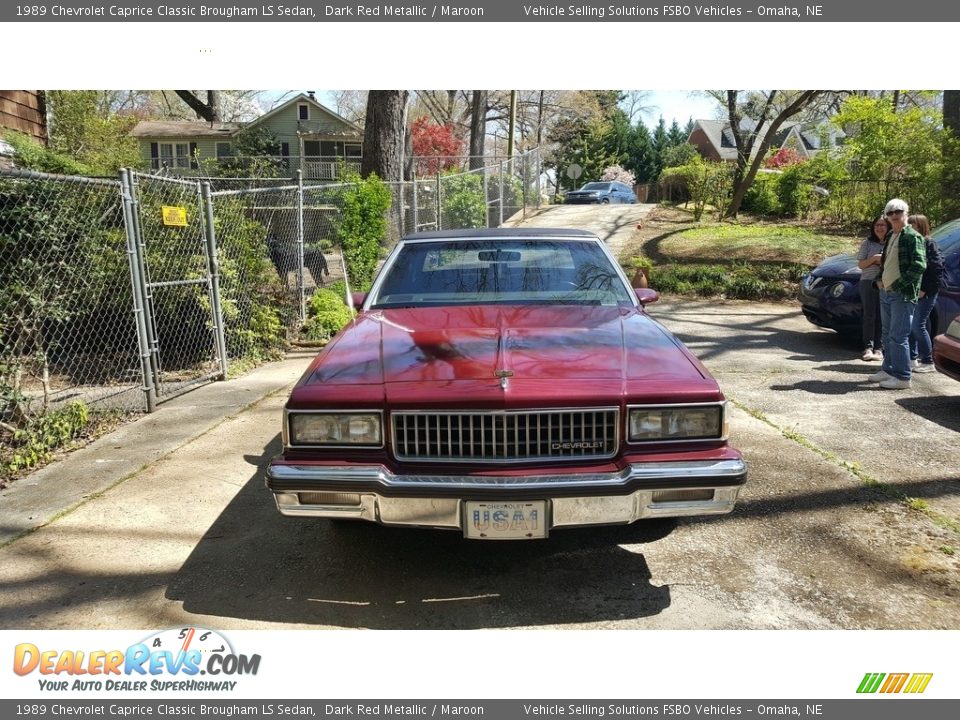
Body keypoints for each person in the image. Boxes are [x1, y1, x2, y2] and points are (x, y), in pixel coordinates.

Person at [869, 198, 927, 390]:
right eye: (891, 213)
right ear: (887, 216)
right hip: (886, 292)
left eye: (898, 211)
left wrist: (900, 285)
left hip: (902, 294)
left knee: (898, 336)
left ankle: (902, 377)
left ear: (906, 213)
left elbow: (919, 265)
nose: (895, 215)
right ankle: (888, 370)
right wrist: (879, 281)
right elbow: (886, 263)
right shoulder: (891, 236)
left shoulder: (911, 236)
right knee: (887, 335)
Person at [906, 214, 944, 374]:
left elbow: (937, 269)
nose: (909, 227)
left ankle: (928, 360)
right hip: (914, 291)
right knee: (910, 325)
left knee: (918, 325)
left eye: (912, 224)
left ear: (921, 226)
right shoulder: (912, 242)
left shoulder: (929, 243)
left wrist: (925, 289)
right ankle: (912, 358)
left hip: (927, 291)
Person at [856, 216, 890, 361]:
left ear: (888, 227)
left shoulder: (892, 242)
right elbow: (861, 265)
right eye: (877, 225)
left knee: (882, 316)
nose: (879, 228)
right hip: (868, 282)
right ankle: (868, 348)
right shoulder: (867, 243)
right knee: (869, 315)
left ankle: (879, 348)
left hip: (886, 283)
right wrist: (875, 259)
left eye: (883, 225)